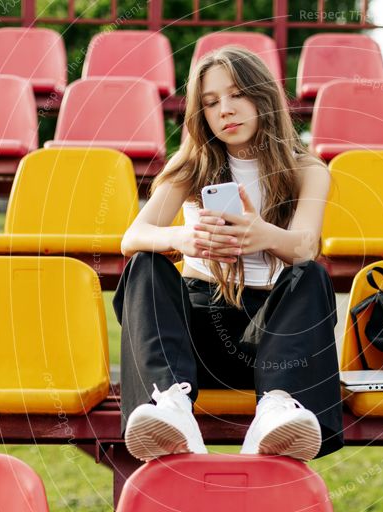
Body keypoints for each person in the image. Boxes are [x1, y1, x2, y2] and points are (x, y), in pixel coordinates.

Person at [112, 47, 343, 463]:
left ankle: (277, 405)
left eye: (236, 95)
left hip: (270, 339)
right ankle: (171, 405)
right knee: (144, 263)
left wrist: (264, 235)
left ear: (263, 98)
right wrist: (181, 239)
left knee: (311, 274)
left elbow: (306, 243)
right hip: (196, 342)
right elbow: (133, 236)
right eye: (211, 103)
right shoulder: (191, 166)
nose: (225, 111)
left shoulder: (306, 169)